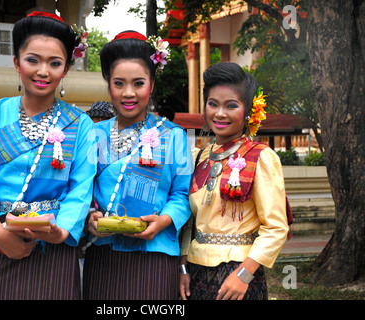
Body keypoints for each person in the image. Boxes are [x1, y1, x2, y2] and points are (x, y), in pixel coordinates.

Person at [0, 11, 95, 300]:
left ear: (66, 70)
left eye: (55, 63)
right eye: (32, 60)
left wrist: (61, 232)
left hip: (54, 245)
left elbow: (81, 187)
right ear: (16, 63)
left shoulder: (80, 124)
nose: (43, 71)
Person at [82, 31, 193, 300]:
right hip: (103, 252)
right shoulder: (94, 134)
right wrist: (88, 218)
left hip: (155, 252)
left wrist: (164, 221)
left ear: (152, 84)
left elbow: (181, 195)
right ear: (109, 85)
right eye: (118, 83)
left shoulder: (173, 135)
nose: (128, 93)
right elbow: (81, 189)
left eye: (138, 83)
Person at [179, 62, 290, 300]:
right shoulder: (201, 156)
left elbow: (276, 227)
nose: (220, 113)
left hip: (238, 273)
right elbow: (192, 222)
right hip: (197, 273)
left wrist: (244, 275)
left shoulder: (260, 156)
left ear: (248, 110)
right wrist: (183, 267)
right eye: (213, 104)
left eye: (231, 106)